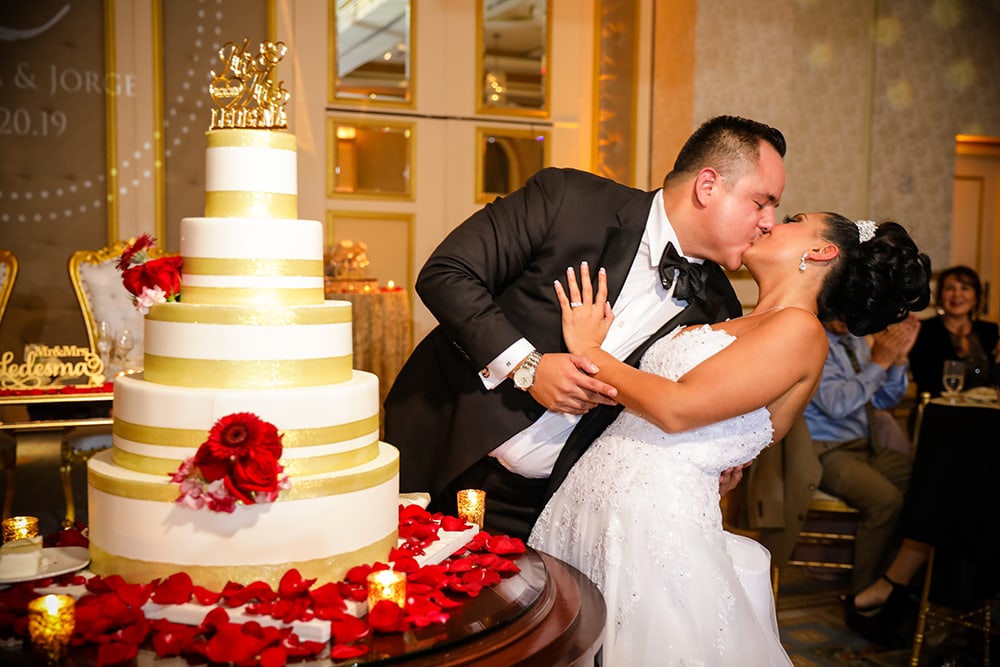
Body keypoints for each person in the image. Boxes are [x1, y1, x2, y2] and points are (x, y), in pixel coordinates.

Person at [529, 213, 931, 666]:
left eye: (794, 219)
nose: (769, 222)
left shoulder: (801, 330)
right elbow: (744, 428)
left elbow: (679, 408)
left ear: (821, 252)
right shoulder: (737, 321)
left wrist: (589, 352)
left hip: (651, 520)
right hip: (596, 501)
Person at [384, 115, 787, 540]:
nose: (769, 222)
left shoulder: (719, 307)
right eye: (761, 202)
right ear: (708, 186)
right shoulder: (569, 200)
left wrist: (715, 464)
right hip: (445, 452)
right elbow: (447, 273)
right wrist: (528, 366)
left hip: (552, 507)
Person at [802, 315, 919, 594]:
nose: (847, 315)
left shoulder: (855, 340)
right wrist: (879, 362)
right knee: (886, 501)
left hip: (866, 444)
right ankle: (864, 592)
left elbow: (882, 399)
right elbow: (837, 404)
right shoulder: (812, 341)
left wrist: (897, 360)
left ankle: (899, 579)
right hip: (825, 451)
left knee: (924, 484)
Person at [908, 265, 1000, 400]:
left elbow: (994, 380)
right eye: (950, 288)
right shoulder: (925, 330)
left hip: (984, 411)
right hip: (939, 411)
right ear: (940, 297)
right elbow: (924, 379)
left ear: (976, 298)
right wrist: (961, 355)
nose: (957, 295)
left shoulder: (988, 330)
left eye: (965, 288)